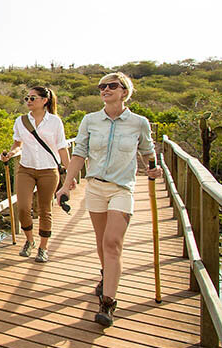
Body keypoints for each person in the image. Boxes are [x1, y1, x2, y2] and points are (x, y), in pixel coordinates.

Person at [55, 72, 162, 327]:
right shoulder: (90, 120)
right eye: (102, 86)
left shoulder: (139, 123)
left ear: (125, 91)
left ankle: (107, 303)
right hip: (95, 188)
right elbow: (79, 153)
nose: (105, 89)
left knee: (113, 243)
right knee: (102, 243)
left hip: (122, 189)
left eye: (112, 86)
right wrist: (66, 185)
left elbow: (148, 152)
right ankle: (107, 275)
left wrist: (153, 168)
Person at [1, 86, 70, 263]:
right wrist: (10, 154)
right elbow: (18, 144)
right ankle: (30, 241)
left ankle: (43, 248)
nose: (29, 101)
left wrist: (70, 173)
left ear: (44, 100)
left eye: (33, 98)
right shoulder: (21, 121)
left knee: (44, 209)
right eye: (27, 98)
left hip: (48, 170)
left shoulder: (55, 122)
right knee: (23, 207)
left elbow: (62, 147)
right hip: (26, 168)